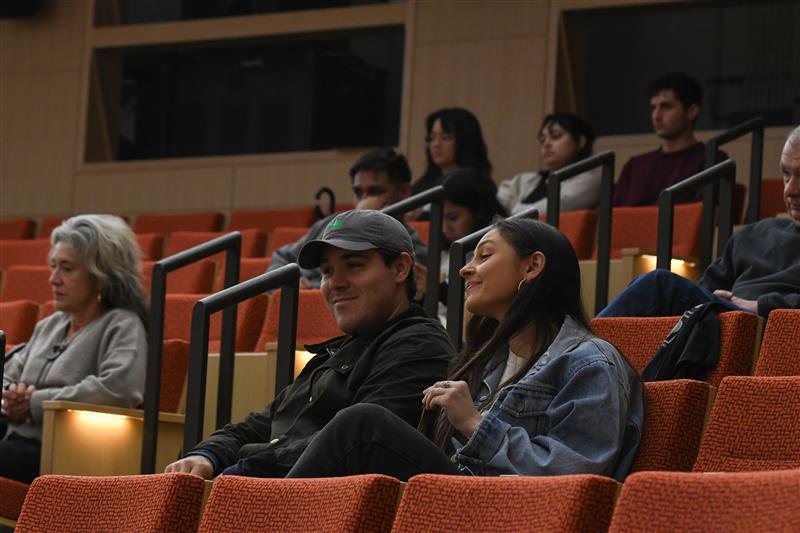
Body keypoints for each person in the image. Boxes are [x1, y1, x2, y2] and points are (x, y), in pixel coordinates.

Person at [286, 217, 643, 482]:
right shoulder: (488, 364)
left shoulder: (588, 361)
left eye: (484, 256)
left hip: (511, 513)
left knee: (364, 425)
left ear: (532, 266)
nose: (465, 269)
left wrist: (474, 423)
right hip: (463, 498)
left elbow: (578, 475)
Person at [165, 210, 454, 479]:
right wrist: (209, 456)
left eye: (354, 266)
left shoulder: (419, 345)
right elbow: (255, 427)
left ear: (401, 268)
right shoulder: (335, 353)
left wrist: (242, 471)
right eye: (327, 272)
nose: (335, 283)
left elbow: (350, 445)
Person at [1, 215, 148, 483]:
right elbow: (10, 371)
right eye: (53, 266)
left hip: (65, 453)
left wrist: (35, 403)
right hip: (13, 438)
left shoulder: (122, 324)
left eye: (67, 269)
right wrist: (10, 396)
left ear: (101, 277)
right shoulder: (51, 324)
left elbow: (118, 390)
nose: (53, 279)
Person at [599, 125, 800, 319]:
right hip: (719, 322)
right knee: (648, 294)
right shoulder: (751, 236)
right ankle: (586, 346)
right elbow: (704, 289)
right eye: (785, 174)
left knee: (660, 284)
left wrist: (759, 305)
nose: (790, 190)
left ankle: (582, 345)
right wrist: (714, 296)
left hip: (768, 326)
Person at [268, 148, 428, 288]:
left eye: (375, 192)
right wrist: (293, 284)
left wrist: (314, 293)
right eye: (358, 193)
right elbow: (282, 258)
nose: (364, 200)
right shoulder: (330, 224)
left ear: (405, 191)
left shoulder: (410, 245)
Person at [613, 72, 725, 207]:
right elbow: (613, 220)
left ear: (691, 112)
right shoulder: (634, 165)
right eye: (653, 107)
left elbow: (706, 218)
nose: (656, 116)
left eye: (666, 107)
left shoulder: (712, 160)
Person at [414, 168, 507, 323]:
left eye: (453, 218)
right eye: (438, 218)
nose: (444, 228)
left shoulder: (501, 252)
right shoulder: (442, 253)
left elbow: (485, 314)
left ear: (479, 211)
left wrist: (442, 290)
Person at [498, 113, 598, 217]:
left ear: (581, 141)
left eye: (555, 136)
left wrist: (510, 211)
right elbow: (495, 207)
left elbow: (539, 212)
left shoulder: (590, 182)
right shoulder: (523, 179)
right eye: (542, 140)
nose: (546, 144)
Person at [411, 107, 493, 196]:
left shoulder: (480, 187)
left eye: (445, 138)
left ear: (465, 141)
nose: (436, 144)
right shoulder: (421, 187)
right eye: (432, 138)